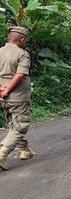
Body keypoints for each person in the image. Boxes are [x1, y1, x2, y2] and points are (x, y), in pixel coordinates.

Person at [0, 27, 35, 170]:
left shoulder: (0, 51)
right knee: (20, 127)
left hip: (3, 97)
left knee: (13, 123)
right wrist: (8, 89)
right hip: (17, 97)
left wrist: (2, 89)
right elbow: (20, 75)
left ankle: (24, 150)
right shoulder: (22, 54)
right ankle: (2, 153)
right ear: (22, 39)